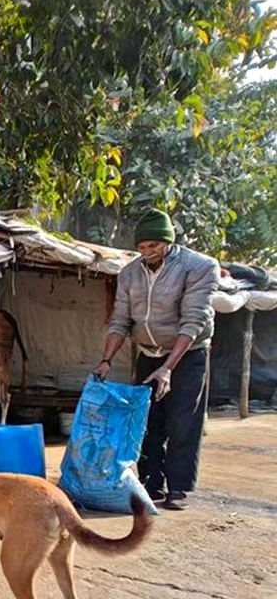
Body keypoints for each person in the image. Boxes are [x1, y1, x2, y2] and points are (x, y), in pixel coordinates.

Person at [93, 207, 220, 510]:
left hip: (187, 355)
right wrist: (106, 360)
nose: (147, 252)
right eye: (142, 247)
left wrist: (168, 369)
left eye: (153, 246)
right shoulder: (129, 273)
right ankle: (151, 484)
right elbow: (121, 320)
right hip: (148, 353)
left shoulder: (199, 267)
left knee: (182, 422)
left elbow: (194, 321)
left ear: (168, 242)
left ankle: (179, 488)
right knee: (147, 421)